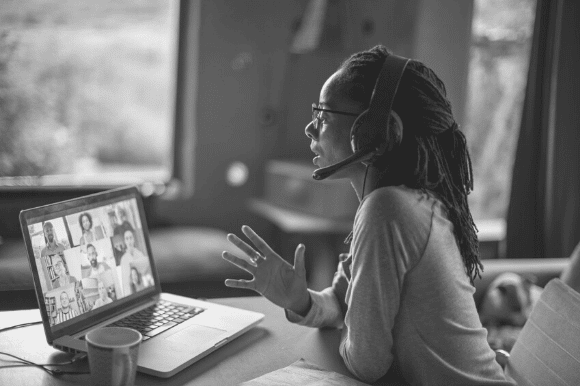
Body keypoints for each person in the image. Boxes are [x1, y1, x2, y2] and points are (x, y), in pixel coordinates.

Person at [222, 46, 514, 385]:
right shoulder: (406, 202)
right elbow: (342, 302)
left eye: (323, 116)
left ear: (373, 132)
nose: (309, 129)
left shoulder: (388, 210)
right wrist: (300, 300)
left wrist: (350, 328)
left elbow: (366, 363)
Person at [120, 228, 151, 296]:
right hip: (131, 292)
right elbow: (125, 283)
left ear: (134, 239)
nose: (129, 241)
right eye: (127, 239)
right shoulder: (123, 259)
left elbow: (145, 273)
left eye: (131, 238)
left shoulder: (140, 254)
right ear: (125, 241)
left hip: (142, 289)